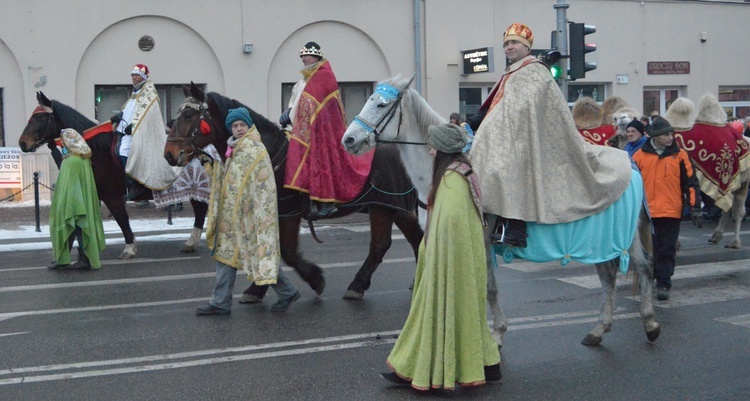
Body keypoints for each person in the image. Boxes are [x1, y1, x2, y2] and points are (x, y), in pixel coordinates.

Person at [469, 22, 632, 248]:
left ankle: (517, 228)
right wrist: (474, 121)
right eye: (506, 44)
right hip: (514, 135)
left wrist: (492, 125)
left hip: (529, 138)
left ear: (527, 47)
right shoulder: (512, 72)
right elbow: (498, 104)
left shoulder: (535, 71)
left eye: (515, 42)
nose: (509, 47)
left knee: (506, 167)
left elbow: (521, 108)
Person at [381, 123, 501, 390]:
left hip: (449, 266)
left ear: (444, 149)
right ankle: (488, 365)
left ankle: (427, 370)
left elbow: (449, 230)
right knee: (469, 315)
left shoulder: (452, 181)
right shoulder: (459, 173)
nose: (431, 151)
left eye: (433, 146)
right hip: (459, 262)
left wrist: (434, 258)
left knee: (440, 315)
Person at [195, 108, 300, 315]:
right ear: (230, 129)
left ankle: (287, 291)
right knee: (226, 256)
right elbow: (231, 178)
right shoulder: (234, 148)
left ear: (249, 126)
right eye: (235, 126)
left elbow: (261, 186)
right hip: (232, 215)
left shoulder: (253, 149)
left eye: (242, 125)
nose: (239, 129)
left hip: (249, 215)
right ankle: (220, 302)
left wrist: (250, 212)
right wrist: (212, 166)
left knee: (259, 255)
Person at [280, 42, 374, 220]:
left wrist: (292, 116)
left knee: (320, 158)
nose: (303, 59)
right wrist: (288, 113)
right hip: (298, 128)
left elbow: (312, 106)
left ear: (316, 56)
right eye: (301, 56)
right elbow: (297, 103)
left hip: (320, 131)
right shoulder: (302, 82)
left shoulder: (324, 76)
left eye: (306, 55)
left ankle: (325, 201)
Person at [632, 117, 701, 301]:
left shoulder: (680, 155)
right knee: (648, 250)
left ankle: (664, 283)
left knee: (666, 249)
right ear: (655, 136)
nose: (670, 138)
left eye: (671, 134)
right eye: (666, 135)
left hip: (670, 211)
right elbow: (630, 184)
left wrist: (695, 207)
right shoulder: (639, 156)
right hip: (646, 213)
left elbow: (691, 183)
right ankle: (649, 277)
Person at [111, 64, 179, 200]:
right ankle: (129, 183)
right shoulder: (135, 92)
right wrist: (120, 116)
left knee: (124, 152)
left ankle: (136, 184)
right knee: (118, 152)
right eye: (132, 75)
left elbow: (148, 116)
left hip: (138, 134)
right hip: (127, 132)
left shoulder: (149, 94)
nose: (133, 78)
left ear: (142, 76)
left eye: (136, 75)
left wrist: (135, 125)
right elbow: (130, 110)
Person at [48, 129, 106, 270]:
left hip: (73, 200)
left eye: (63, 140)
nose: (62, 143)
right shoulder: (83, 158)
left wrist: (65, 202)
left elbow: (67, 183)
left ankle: (79, 259)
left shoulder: (71, 161)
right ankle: (72, 258)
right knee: (77, 227)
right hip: (82, 199)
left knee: (73, 226)